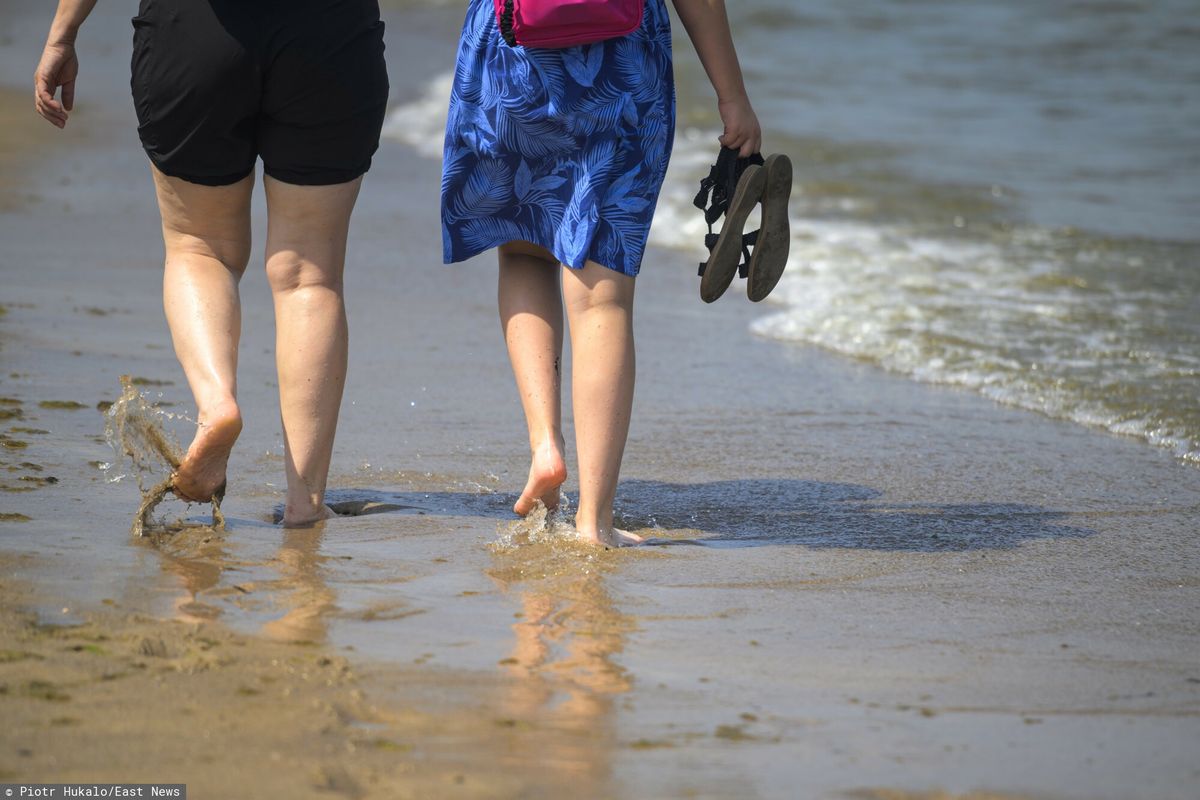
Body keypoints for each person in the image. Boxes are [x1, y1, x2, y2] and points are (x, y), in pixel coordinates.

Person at [34, 0, 389, 526]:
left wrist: (63, 34)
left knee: (200, 247)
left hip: (193, 29)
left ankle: (217, 401)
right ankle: (305, 503)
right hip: (330, 33)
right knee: (308, 274)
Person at [441, 0, 761, 546]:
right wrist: (732, 97)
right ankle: (595, 521)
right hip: (621, 62)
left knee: (522, 251)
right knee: (601, 297)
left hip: (511, 48)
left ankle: (546, 446)